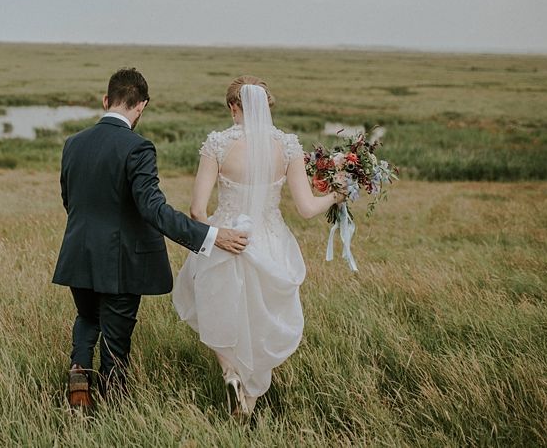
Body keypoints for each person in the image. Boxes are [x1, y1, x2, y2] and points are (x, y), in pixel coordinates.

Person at [52, 68, 248, 409]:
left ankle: (79, 371)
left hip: (79, 254)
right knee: (115, 343)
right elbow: (154, 210)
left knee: (87, 317)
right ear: (141, 106)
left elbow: (71, 200)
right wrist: (211, 235)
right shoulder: (138, 147)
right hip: (121, 262)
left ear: (106, 100)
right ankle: (113, 410)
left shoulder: (74, 143)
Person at [172, 76, 346, 418]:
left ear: (233, 107)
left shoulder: (218, 144)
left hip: (225, 238)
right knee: (260, 319)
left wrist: (217, 233)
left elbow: (196, 210)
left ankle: (230, 371)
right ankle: (248, 401)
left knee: (214, 307)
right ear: (267, 107)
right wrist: (336, 196)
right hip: (270, 241)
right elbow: (307, 208)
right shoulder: (288, 146)